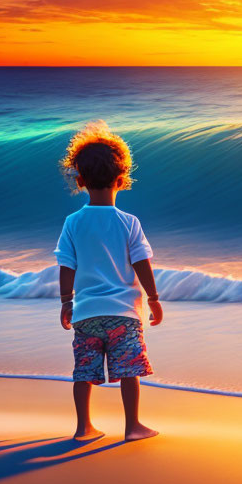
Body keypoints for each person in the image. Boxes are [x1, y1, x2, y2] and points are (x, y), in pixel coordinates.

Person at [54, 121, 162, 442]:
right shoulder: (128, 222)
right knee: (129, 371)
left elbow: (66, 265)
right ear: (121, 180)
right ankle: (133, 427)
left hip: (86, 315)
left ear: (80, 181)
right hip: (123, 315)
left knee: (84, 372)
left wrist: (65, 302)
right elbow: (142, 263)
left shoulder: (73, 222)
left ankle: (83, 427)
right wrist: (154, 298)